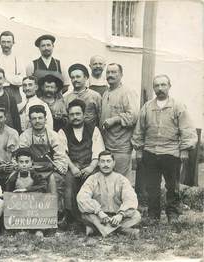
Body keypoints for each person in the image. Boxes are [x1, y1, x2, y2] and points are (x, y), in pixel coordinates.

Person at [131, 75, 197, 223]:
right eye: (157, 86)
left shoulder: (178, 106)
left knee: (172, 186)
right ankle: (153, 214)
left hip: (171, 153)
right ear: (154, 88)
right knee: (152, 186)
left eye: (163, 85)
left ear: (169, 86)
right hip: (151, 152)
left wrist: (185, 150)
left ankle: (172, 214)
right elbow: (139, 130)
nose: (160, 89)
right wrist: (139, 150)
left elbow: (187, 129)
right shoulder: (147, 107)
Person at [58, 99, 105, 223]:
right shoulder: (63, 131)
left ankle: (96, 215)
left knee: (97, 182)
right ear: (68, 116)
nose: (75, 117)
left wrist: (90, 168)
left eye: (78, 114)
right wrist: (73, 168)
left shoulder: (93, 129)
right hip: (72, 166)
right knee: (68, 183)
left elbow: (98, 151)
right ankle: (69, 216)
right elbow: (62, 153)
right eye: (72, 115)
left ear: (84, 114)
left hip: (90, 165)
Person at [77, 150, 141, 238]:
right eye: (102, 161)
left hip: (117, 217)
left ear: (113, 163)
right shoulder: (92, 179)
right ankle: (120, 231)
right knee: (85, 215)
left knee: (136, 215)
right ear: (98, 163)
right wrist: (99, 212)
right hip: (98, 216)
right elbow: (82, 197)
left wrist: (120, 215)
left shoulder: (121, 179)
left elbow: (130, 198)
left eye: (108, 161)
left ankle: (99, 230)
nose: (105, 164)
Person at [19, 105, 68, 220]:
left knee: (57, 180)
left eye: (40, 118)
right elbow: (22, 157)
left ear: (45, 119)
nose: (37, 121)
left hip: (50, 171)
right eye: (34, 118)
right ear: (30, 121)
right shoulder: (25, 136)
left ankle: (55, 215)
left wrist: (58, 167)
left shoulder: (53, 136)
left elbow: (60, 158)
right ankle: (29, 217)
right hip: (32, 170)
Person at [100, 63, 138, 177]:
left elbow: (134, 116)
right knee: (108, 178)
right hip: (107, 145)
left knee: (121, 180)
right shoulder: (106, 93)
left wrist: (115, 119)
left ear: (121, 75)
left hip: (121, 147)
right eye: (108, 72)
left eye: (114, 72)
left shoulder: (127, 92)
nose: (110, 75)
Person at [5, 147, 48, 237]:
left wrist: (27, 190)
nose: (24, 165)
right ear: (17, 163)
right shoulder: (13, 177)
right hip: (19, 206)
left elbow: (43, 186)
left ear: (31, 162)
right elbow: (8, 192)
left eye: (27, 162)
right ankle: (20, 229)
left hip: (33, 206)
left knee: (40, 207)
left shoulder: (35, 175)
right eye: (21, 162)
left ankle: (39, 229)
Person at [0, 31, 25, 104]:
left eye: (8, 42)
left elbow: (22, 80)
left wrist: (4, 76)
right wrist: (13, 78)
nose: (6, 45)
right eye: (3, 42)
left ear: (13, 43)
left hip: (14, 92)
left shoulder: (18, 59)